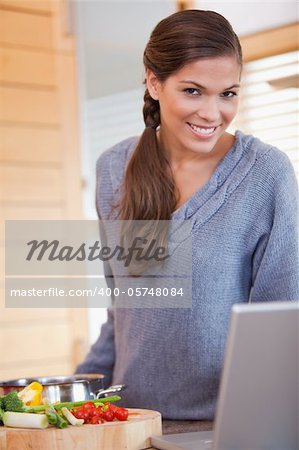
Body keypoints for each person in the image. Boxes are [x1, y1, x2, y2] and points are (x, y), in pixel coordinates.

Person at [76, 9, 298, 420]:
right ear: (154, 82)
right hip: (128, 422)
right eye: (193, 91)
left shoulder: (266, 173)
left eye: (228, 93)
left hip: (225, 427)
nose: (213, 114)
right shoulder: (113, 168)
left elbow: (283, 324)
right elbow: (122, 314)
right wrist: (75, 394)